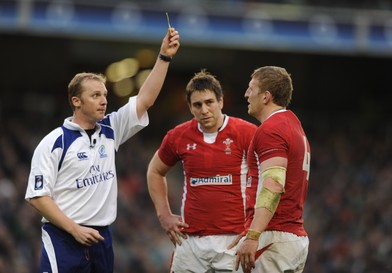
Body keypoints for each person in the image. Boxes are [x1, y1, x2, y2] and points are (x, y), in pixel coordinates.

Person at [24, 28, 180, 273]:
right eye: (95, 95)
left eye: (105, 95)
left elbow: (145, 100)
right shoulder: (54, 142)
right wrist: (75, 229)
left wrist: (164, 57)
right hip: (63, 237)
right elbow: (37, 197)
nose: (104, 100)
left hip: (101, 237)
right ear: (76, 101)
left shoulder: (111, 129)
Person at [146, 69, 257, 273]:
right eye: (197, 105)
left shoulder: (246, 132)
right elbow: (154, 171)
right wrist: (164, 214)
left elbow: (267, 176)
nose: (204, 110)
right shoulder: (177, 136)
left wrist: (255, 230)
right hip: (190, 241)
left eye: (209, 102)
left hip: (234, 240)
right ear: (190, 107)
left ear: (221, 102)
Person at [234, 66, 311, 273]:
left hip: (273, 237)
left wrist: (253, 235)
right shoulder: (294, 125)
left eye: (251, 89)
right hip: (290, 238)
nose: (246, 94)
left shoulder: (271, 130)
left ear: (266, 96)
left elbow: (274, 184)